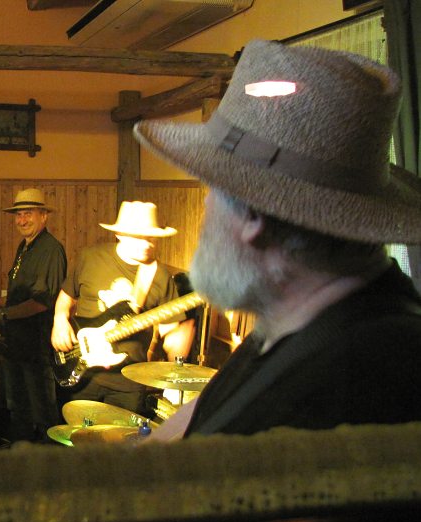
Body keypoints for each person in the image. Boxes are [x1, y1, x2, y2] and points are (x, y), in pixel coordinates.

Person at [132, 40, 421, 436]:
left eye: (211, 188)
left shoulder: (355, 385)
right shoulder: (291, 324)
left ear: (253, 216)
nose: (206, 206)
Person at [50, 201, 189, 418]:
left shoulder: (160, 276)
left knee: (121, 439)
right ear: (120, 234)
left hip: (129, 382)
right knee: (76, 436)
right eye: (139, 237)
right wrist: (59, 321)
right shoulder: (90, 258)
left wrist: (179, 343)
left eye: (151, 237)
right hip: (82, 374)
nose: (147, 243)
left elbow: (170, 333)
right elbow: (65, 298)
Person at [0, 188, 66, 442]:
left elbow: (42, 302)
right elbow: (19, 293)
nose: (22, 220)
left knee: (42, 413)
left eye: (28, 213)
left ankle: (45, 459)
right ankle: (21, 455)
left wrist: (2, 315)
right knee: (18, 408)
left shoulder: (51, 249)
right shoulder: (25, 246)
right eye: (18, 214)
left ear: (44, 216)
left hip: (36, 349)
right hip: (16, 345)